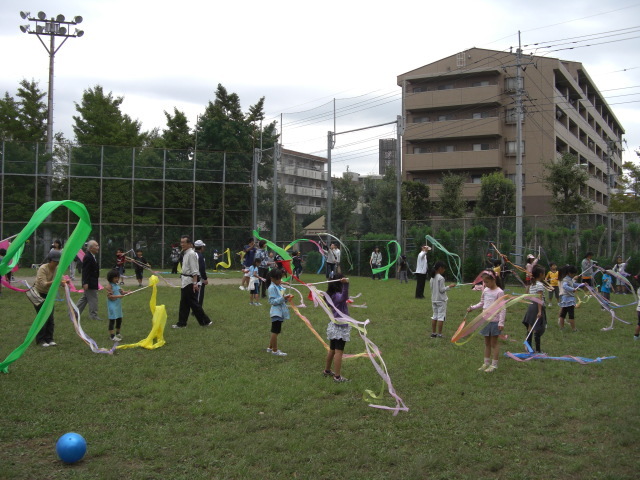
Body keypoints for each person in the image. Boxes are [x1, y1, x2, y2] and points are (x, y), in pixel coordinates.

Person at [467, 270, 505, 373]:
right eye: (484, 282)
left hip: (495, 321)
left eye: (487, 282)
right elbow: (482, 303)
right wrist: (472, 308)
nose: (485, 284)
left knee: (494, 343)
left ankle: (494, 365)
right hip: (485, 320)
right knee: (487, 343)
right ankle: (486, 363)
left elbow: (502, 308)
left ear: (493, 280)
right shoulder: (486, 290)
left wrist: (501, 322)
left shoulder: (499, 292)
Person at [172, 235, 213, 328]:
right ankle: (182, 323)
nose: (182, 244)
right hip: (185, 280)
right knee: (184, 303)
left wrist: (195, 283)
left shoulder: (191, 254)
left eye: (184, 242)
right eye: (181, 242)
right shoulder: (185, 253)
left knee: (193, 303)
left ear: (190, 244)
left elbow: (195, 270)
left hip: (189, 282)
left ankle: (205, 321)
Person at [33, 249, 68, 347]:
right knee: (42, 317)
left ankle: (49, 338)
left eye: (58, 262)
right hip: (39, 294)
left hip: (49, 295)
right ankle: (40, 340)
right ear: (50, 260)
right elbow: (44, 284)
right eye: (55, 261)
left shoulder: (57, 269)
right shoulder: (43, 269)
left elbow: (62, 279)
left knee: (50, 317)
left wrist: (65, 283)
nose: (56, 264)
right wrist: (57, 281)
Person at [323, 275, 351, 382]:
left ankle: (327, 370)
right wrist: (346, 284)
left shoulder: (330, 296)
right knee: (339, 352)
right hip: (340, 328)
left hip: (333, 326)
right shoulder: (337, 297)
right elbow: (344, 297)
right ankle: (337, 376)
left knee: (332, 350)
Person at [267, 269, 292, 356]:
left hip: (280, 311)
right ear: (272, 279)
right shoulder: (272, 288)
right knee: (275, 331)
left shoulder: (278, 286)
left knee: (276, 331)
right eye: (277, 279)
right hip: (276, 312)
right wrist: (283, 298)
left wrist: (286, 299)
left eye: (280, 279)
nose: (279, 281)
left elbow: (281, 298)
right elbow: (272, 301)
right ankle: (275, 350)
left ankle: (270, 348)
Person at [522, 265, 547, 353]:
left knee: (530, 328)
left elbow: (527, 296)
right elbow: (539, 299)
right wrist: (540, 311)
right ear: (540, 274)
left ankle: (528, 348)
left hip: (531, 306)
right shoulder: (539, 285)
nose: (545, 275)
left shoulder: (532, 284)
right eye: (544, 273)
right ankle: (538, 350)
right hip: (537, 307)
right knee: (537, 328)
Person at [429, 260, 456, 338]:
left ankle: (433, 333)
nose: (444, 270)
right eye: (443, 269)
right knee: (441, 317)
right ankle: (439, 334)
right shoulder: (441, 278)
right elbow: (441, 290)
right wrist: (449, 286)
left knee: (435, 316)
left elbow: (432, 288)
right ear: (440, 268)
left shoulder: (432, 278)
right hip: (441, 300)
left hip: (434, 299)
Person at [77, 240, 102, 321]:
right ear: (91, 248)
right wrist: (85, 282)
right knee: (93, 298)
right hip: (90, 282)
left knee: (85, 298)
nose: (98, 247)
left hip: (93, 281)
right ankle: (93, 315)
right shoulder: (88, 257)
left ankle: (74, 313)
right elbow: (85, 271)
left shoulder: (92, 256)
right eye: (96, 246)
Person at [105, 269, 129, 341]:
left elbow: (122, 292)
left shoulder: (117, 285)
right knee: (112, 320)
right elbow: (110, 297)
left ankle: (118, 333)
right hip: (112, 306)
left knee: (119, 319)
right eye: (115, 278)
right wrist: (118, 296)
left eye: (117, 277)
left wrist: (127, 292)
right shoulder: (109, 286)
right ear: (111, 278)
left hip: (118, 305)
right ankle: (112, 336)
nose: (117, 279)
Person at [558, 264, 580, 332]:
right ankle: (573, 329)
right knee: (570, 315)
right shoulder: (566, 279)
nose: (574, 275)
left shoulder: (570, 279)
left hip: (567, 299)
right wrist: (572, 289)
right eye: (573, 274)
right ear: (570, 273)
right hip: (568, 299)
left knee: (563, 314)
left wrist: (582, 284)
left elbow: (573, 284)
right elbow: (565, 286)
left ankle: (562, 327)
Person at [194, 240, 209, 307]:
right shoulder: (200, 256)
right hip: (198, 278)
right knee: (199, 294)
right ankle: (197, 309)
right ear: (201, 247)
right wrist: (205, 278)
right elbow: (202, 268)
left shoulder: (192, 254)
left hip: (191, 277)